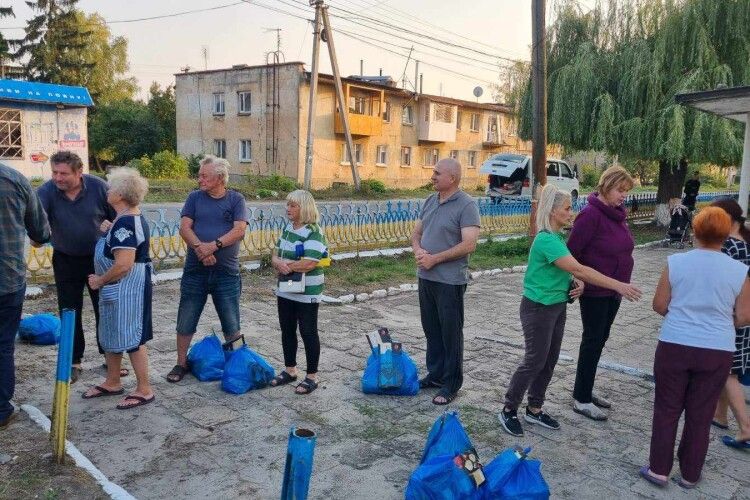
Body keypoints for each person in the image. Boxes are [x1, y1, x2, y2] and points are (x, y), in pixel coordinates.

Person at [499, 184, 641, 438]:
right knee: (534, 360)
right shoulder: (545, 239)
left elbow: (568, 272)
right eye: (567, 208)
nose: (571, 212)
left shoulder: (556, 239)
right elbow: (579, 268)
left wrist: (575, 283)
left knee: (549, 360)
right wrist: (617, 284)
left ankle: (535, 407)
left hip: (555, 307)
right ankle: (509, 408)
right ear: (553, 211)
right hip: (538, 308)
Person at [641, 207, 750, 489]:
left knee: (666, 409)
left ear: (695, 230)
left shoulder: (676, 262)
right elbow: (743, 317)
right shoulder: (740, 271)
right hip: (716, 349)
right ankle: (690, 474)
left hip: (675, 343)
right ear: (726, 234)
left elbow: (659, 304)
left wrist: (683, 317)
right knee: (701, 413)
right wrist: (717, 323)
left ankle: (658, 470)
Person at [34, 151, 117, 383]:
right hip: (65, 259)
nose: (58, 178)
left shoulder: (100, 187)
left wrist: (112, 225)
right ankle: (73, 361)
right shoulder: (46, 192)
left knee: (105, 309)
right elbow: (37, 225)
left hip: (98, 260)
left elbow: (120, 217)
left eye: (63, 173)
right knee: (69, 310)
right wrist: (36, 236)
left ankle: (110, 358)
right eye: (54, 172)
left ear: (79, 172)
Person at [166, 156, 249, 383]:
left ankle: (238, 365)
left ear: (220, 178)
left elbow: (239, 230)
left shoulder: (236, 199)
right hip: (196, 271)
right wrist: (200, 250)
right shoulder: (194, 198)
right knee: (186, 319)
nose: (199, 179)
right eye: (199, 174)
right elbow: (185, 228)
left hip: (226, 273)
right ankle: (180, 363)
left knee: (232, 323)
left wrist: (213, 246)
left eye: (204, 175)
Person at [82, 168, 155, 409]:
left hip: (127, 288)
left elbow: (124, 264)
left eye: (111, 188)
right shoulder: (122, 220)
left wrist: (100, 280)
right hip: (119, 290)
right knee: (112, 330)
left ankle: (144, 388)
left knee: (133, 335)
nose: (108, 191)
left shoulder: (125, 224)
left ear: (121, 195)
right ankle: (113, 381)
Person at [567, 166, 635, 421]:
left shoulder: (617, 215)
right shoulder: (590, 215)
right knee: (593, 340)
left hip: (615, 290)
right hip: (595, 290)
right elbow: (571, 254)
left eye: (626, 191)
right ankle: (581, 399)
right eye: (620, 190)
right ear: (606, 186)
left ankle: (585, 388)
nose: (623, 195)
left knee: (600, 339)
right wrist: (578, 280)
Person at [411, 157, 481, 405]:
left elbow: (469, 244)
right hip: (426, 276)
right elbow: (416, 233)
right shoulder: (430, 201)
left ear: (452, 178)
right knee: (431, 329)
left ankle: (451, 383)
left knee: (450, 333)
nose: (432, 176)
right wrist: (419, 250)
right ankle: (436, 374)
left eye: (437, 173)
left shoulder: (467, 205)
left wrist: (435, 259)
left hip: (450, 281)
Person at [0, 163, 50, 427]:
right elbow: (41, 231)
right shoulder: (15, 179)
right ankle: (1, 411)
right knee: (3, 345)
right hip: (7, 280)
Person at [268, 190, 328, 395]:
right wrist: (279, 263)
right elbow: (275, 253)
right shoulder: (288, 227)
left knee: (308, 331)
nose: (288, 209)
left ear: (304, 208)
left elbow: (311, 262)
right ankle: (290, 370)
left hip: (307, 290)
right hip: (286, 288)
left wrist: (288, 266)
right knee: (287, 329)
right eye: (288, 205)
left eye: (293, 205)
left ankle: (312, 376)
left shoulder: (314, 231)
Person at [710, 198, 750, 449]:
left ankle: (746, 428)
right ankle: (719, 415)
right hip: (743, 317)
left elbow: (723, 284)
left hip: (732, 317)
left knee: (728, 373)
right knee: (728, 369)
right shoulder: (746, 243)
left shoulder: (730, 248)